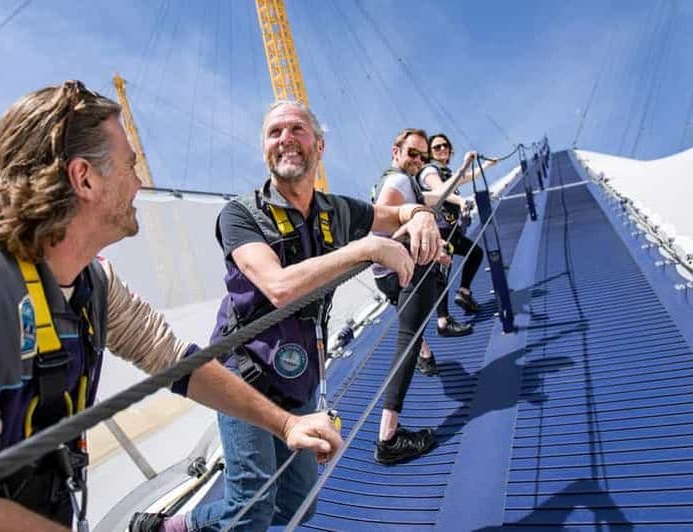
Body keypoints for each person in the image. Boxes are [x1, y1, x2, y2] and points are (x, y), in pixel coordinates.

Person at [0, 82, 343, 532]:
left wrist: (286, 424)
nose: (139, 181)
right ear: (85, 178)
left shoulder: (93, 284)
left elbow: (177, 361)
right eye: (129, 164)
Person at [168, 101, 441, 531]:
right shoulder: (241, 214)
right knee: (250, 507)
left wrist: (421, 214)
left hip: (300, 375)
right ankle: (173, 527)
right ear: (264, 149)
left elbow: (394, 215)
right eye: (274, 132)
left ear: (319, 145)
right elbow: (278, 287)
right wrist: (365, 248)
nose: (286, 139)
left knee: (301, 504)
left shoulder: (336, 211)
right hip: (243, 371)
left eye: (297, 129)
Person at [371, 128, 453, 465]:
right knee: (408, 337)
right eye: (412, 153)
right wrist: (428, 245)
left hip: (385, 275)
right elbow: (381, 229)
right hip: (404, 269)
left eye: (423, 156)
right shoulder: (399, 181)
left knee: (412, 334)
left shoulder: (395, 180)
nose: (418, 161)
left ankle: (426, 355)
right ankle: (388, 438)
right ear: (396, 151)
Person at [419, 133, 497, 322]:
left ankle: (464, 292)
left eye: (445, 145)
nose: (442, 149)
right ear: (429, 153)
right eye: (437, 147)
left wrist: (487, 165)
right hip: (438, 230)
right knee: (442, 272)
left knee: (474, 253)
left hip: (449, 229)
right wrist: (461, 200)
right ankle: (443, 321)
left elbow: (465, 178)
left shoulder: (444, 172)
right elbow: (441, 191)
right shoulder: (429, 171)